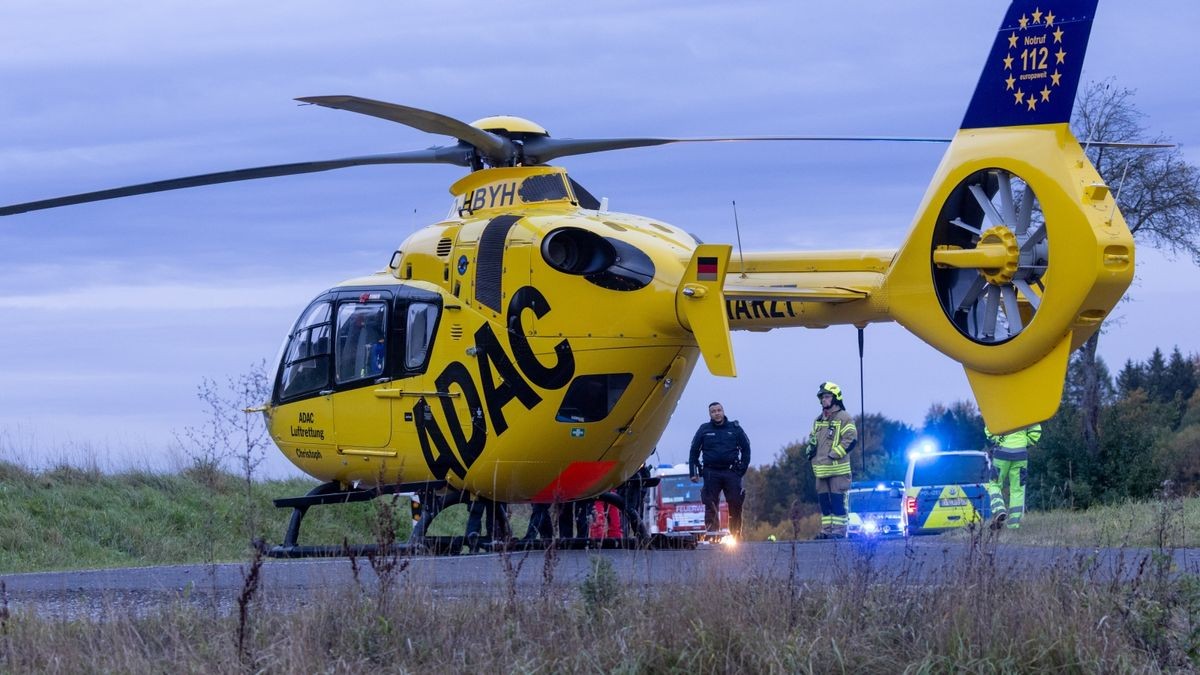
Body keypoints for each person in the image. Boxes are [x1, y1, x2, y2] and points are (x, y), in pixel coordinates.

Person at [688, 401, 750, 538]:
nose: (717, 413)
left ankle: (735, 534)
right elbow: (693, 451)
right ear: (710, 414)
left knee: (735, 502)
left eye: (719, 410)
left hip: (731, 472)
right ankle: (712, 535)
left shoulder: (735, 429)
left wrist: (742, 469)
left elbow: (746, 448)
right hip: (711, 472)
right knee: (710, 504)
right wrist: (693, 472)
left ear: (723, 411)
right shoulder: (704, 429)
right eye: (713, 411)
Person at [805, 382, 857, 539]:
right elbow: (813, 438)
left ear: (836, 398)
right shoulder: (818, 420)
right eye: (822, 397)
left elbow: (851, 439)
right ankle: (826, 531)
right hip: (821, 470)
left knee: (837, 501)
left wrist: (834, 454)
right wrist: (810, 450)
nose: (823, 400)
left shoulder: (845, 418)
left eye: (827, 397)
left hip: (838, 470)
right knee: (824, 504)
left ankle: (839, 531)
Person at [984, 423, 1042, 529]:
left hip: (1001, 453)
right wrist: (1023, 442)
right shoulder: (1027, 411)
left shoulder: (999, 409)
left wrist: (998, 439)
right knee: (1017, 489)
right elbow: (1036, 432)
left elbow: (989, 428)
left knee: (995, 484)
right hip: (1021, 454)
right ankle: (1013, 525)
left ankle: (999, 509)